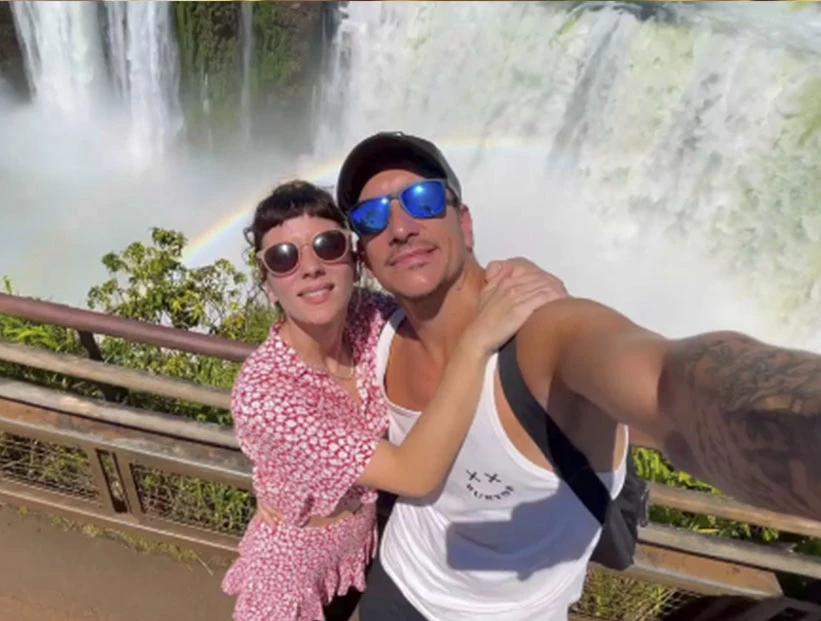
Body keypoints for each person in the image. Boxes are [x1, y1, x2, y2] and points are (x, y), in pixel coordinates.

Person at [329, 131, 821, 621]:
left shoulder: (544, 340)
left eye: (423, 199)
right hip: (398, 584)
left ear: (465, 223)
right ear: (364, 258)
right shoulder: (376, 334)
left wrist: (801, 425)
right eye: (372, 217)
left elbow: (670, 387)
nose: (400, 227)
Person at [219, 180, 566, 621]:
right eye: (283, 257)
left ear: (354, 261)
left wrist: (517, 276)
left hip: (361, 544)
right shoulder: (265, 395)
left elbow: (445, 304)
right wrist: (478, 342)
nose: (310, 268)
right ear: (269, 285)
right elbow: (412, 475)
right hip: (293, 569)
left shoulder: (368, 316)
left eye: (328, 245)